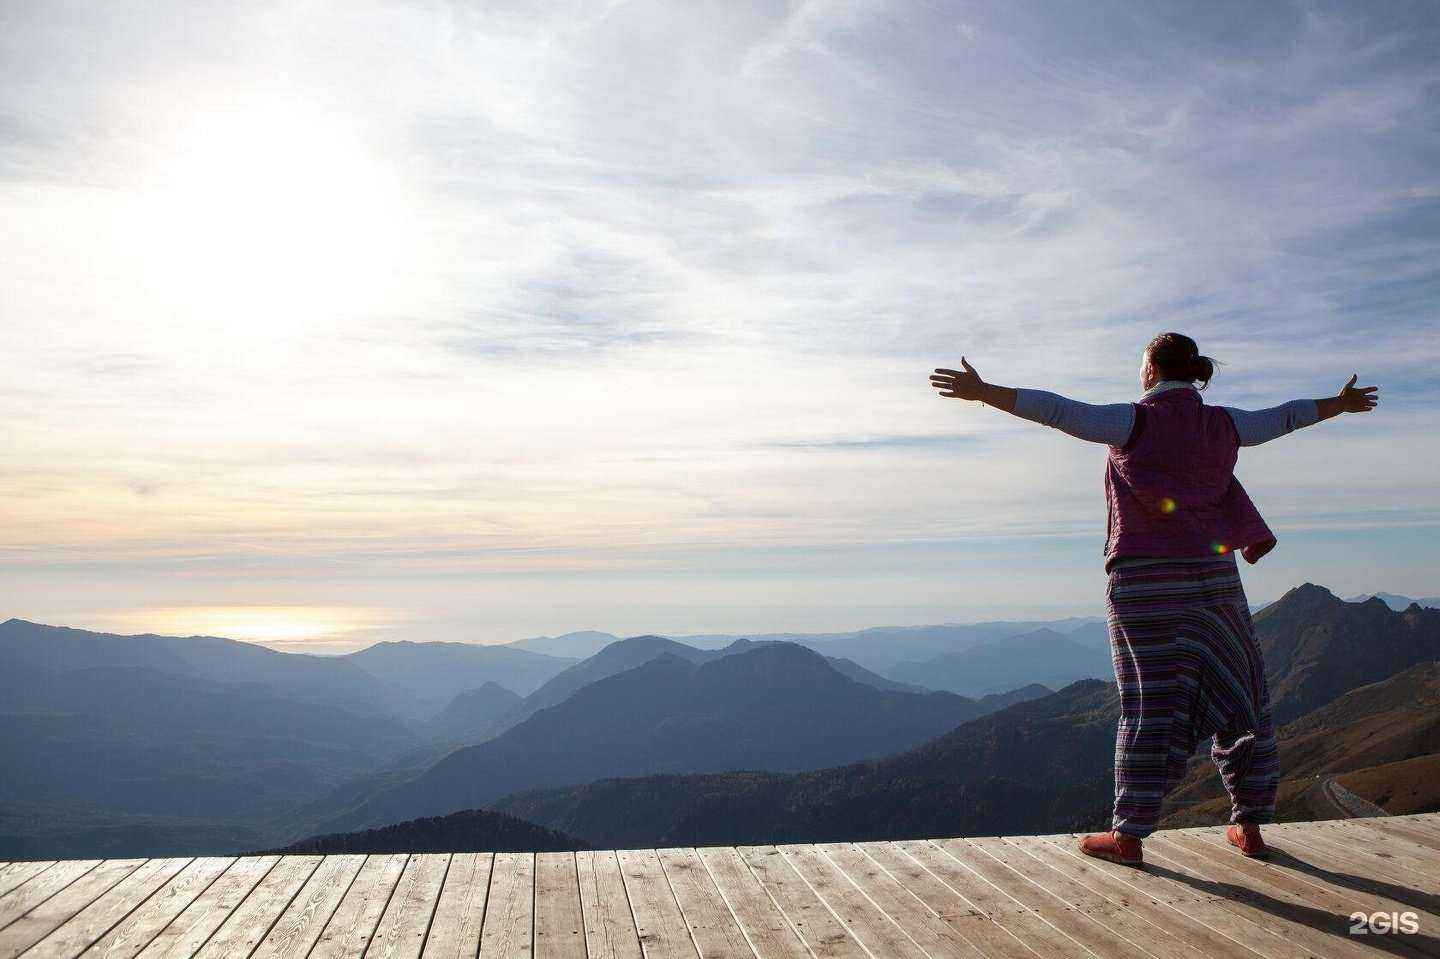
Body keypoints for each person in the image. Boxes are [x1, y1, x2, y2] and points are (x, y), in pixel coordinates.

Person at [928, 332, 1379, 866]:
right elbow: (1286, 416)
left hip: (1144, 583)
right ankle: (1250, 826)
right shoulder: (1226, 424)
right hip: (1215, 578)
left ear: (1151, 371)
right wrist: (1339, 404)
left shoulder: (1133, 422)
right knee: (1242, 695)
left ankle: (1129, 836)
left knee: (1149, 702)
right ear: (1192, 373)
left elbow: (1057, 410)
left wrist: (986, 393)